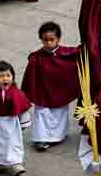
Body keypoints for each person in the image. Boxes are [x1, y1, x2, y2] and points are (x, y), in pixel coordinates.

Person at [21, 21, 80, 151]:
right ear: (41, 39)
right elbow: (30, 77)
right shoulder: (36, 58)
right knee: (42, 114)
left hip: (61, 92)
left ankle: (57, 137)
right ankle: (40, 139)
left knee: (59, 114)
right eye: (45, 40)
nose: (48, 43)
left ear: (58, 39)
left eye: (52, 40)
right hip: (43, 93)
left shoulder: (68, 54)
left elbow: (79, 55)